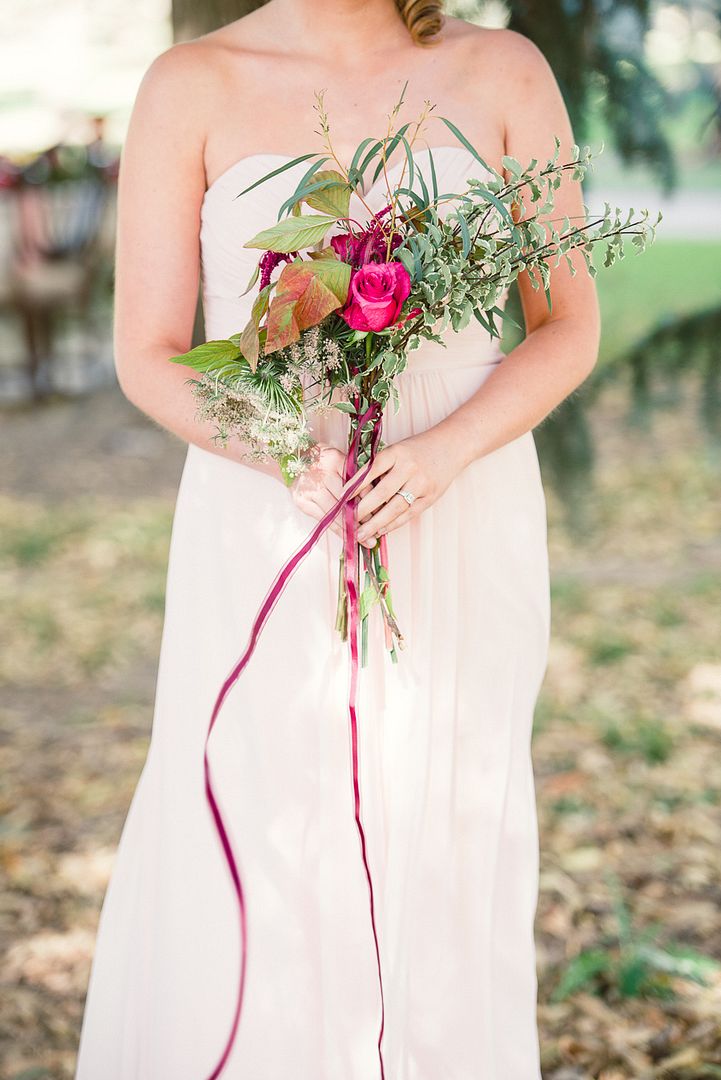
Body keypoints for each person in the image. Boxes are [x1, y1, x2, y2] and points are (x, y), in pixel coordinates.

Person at [75, 1, 600, 1077]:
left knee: (448, 823)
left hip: (458, 501)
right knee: (268, 808)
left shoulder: (502, 68)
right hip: (268, 504)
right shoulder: (192, 82)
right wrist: (276, 444)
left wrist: (451, 448)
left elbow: (567, 324)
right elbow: (150, 350)